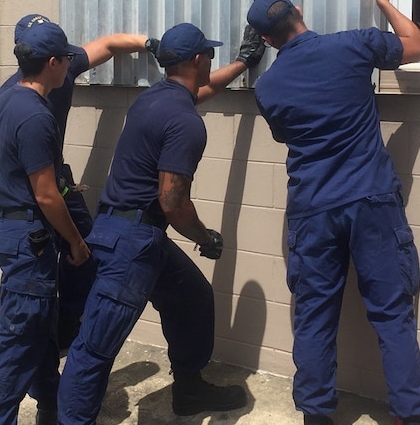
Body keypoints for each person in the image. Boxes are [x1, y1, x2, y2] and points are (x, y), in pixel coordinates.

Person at [246, 0, 420, 425]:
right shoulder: (353, 45)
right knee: (391, 314)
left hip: (313, 207)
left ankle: (316, 416)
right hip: (371, 199)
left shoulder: (267, 88)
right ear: (299, 10)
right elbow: (418, 46)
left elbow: (288, 136)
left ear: (267, 41)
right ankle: (412, 416)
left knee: (313, 316)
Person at [57, 22, 265, 424]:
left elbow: (198, 95)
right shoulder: (186, 122)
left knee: (193, 298)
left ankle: (188, 390)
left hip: (130, 231)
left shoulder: (154, 99)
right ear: (199, 59)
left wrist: (242, 62)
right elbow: (173, 202)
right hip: (131, 245)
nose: (211, 59)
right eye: (210, 54)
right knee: (96, 347)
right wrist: (206, 238)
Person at [4, 14, 155, 352]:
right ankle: (52, 331)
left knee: (86, 250)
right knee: (60, 255)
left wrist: (148, 44)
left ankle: (68, 324)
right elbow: (39, 190)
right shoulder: (20, 100)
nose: (66, 58)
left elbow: (108, 45)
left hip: (57, 181)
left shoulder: (63, 68)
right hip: (36, 192)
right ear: (46, 60)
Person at [0, 19, 92, 425]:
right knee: (17, 338)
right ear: (52, 63)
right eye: (66, 58)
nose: (69, 65)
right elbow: (46, 193)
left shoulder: (10, 96)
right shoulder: (37, 116)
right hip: (28, 236)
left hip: (14, 231)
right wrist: (76, 242)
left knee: (38, 324)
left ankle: (51, 402)